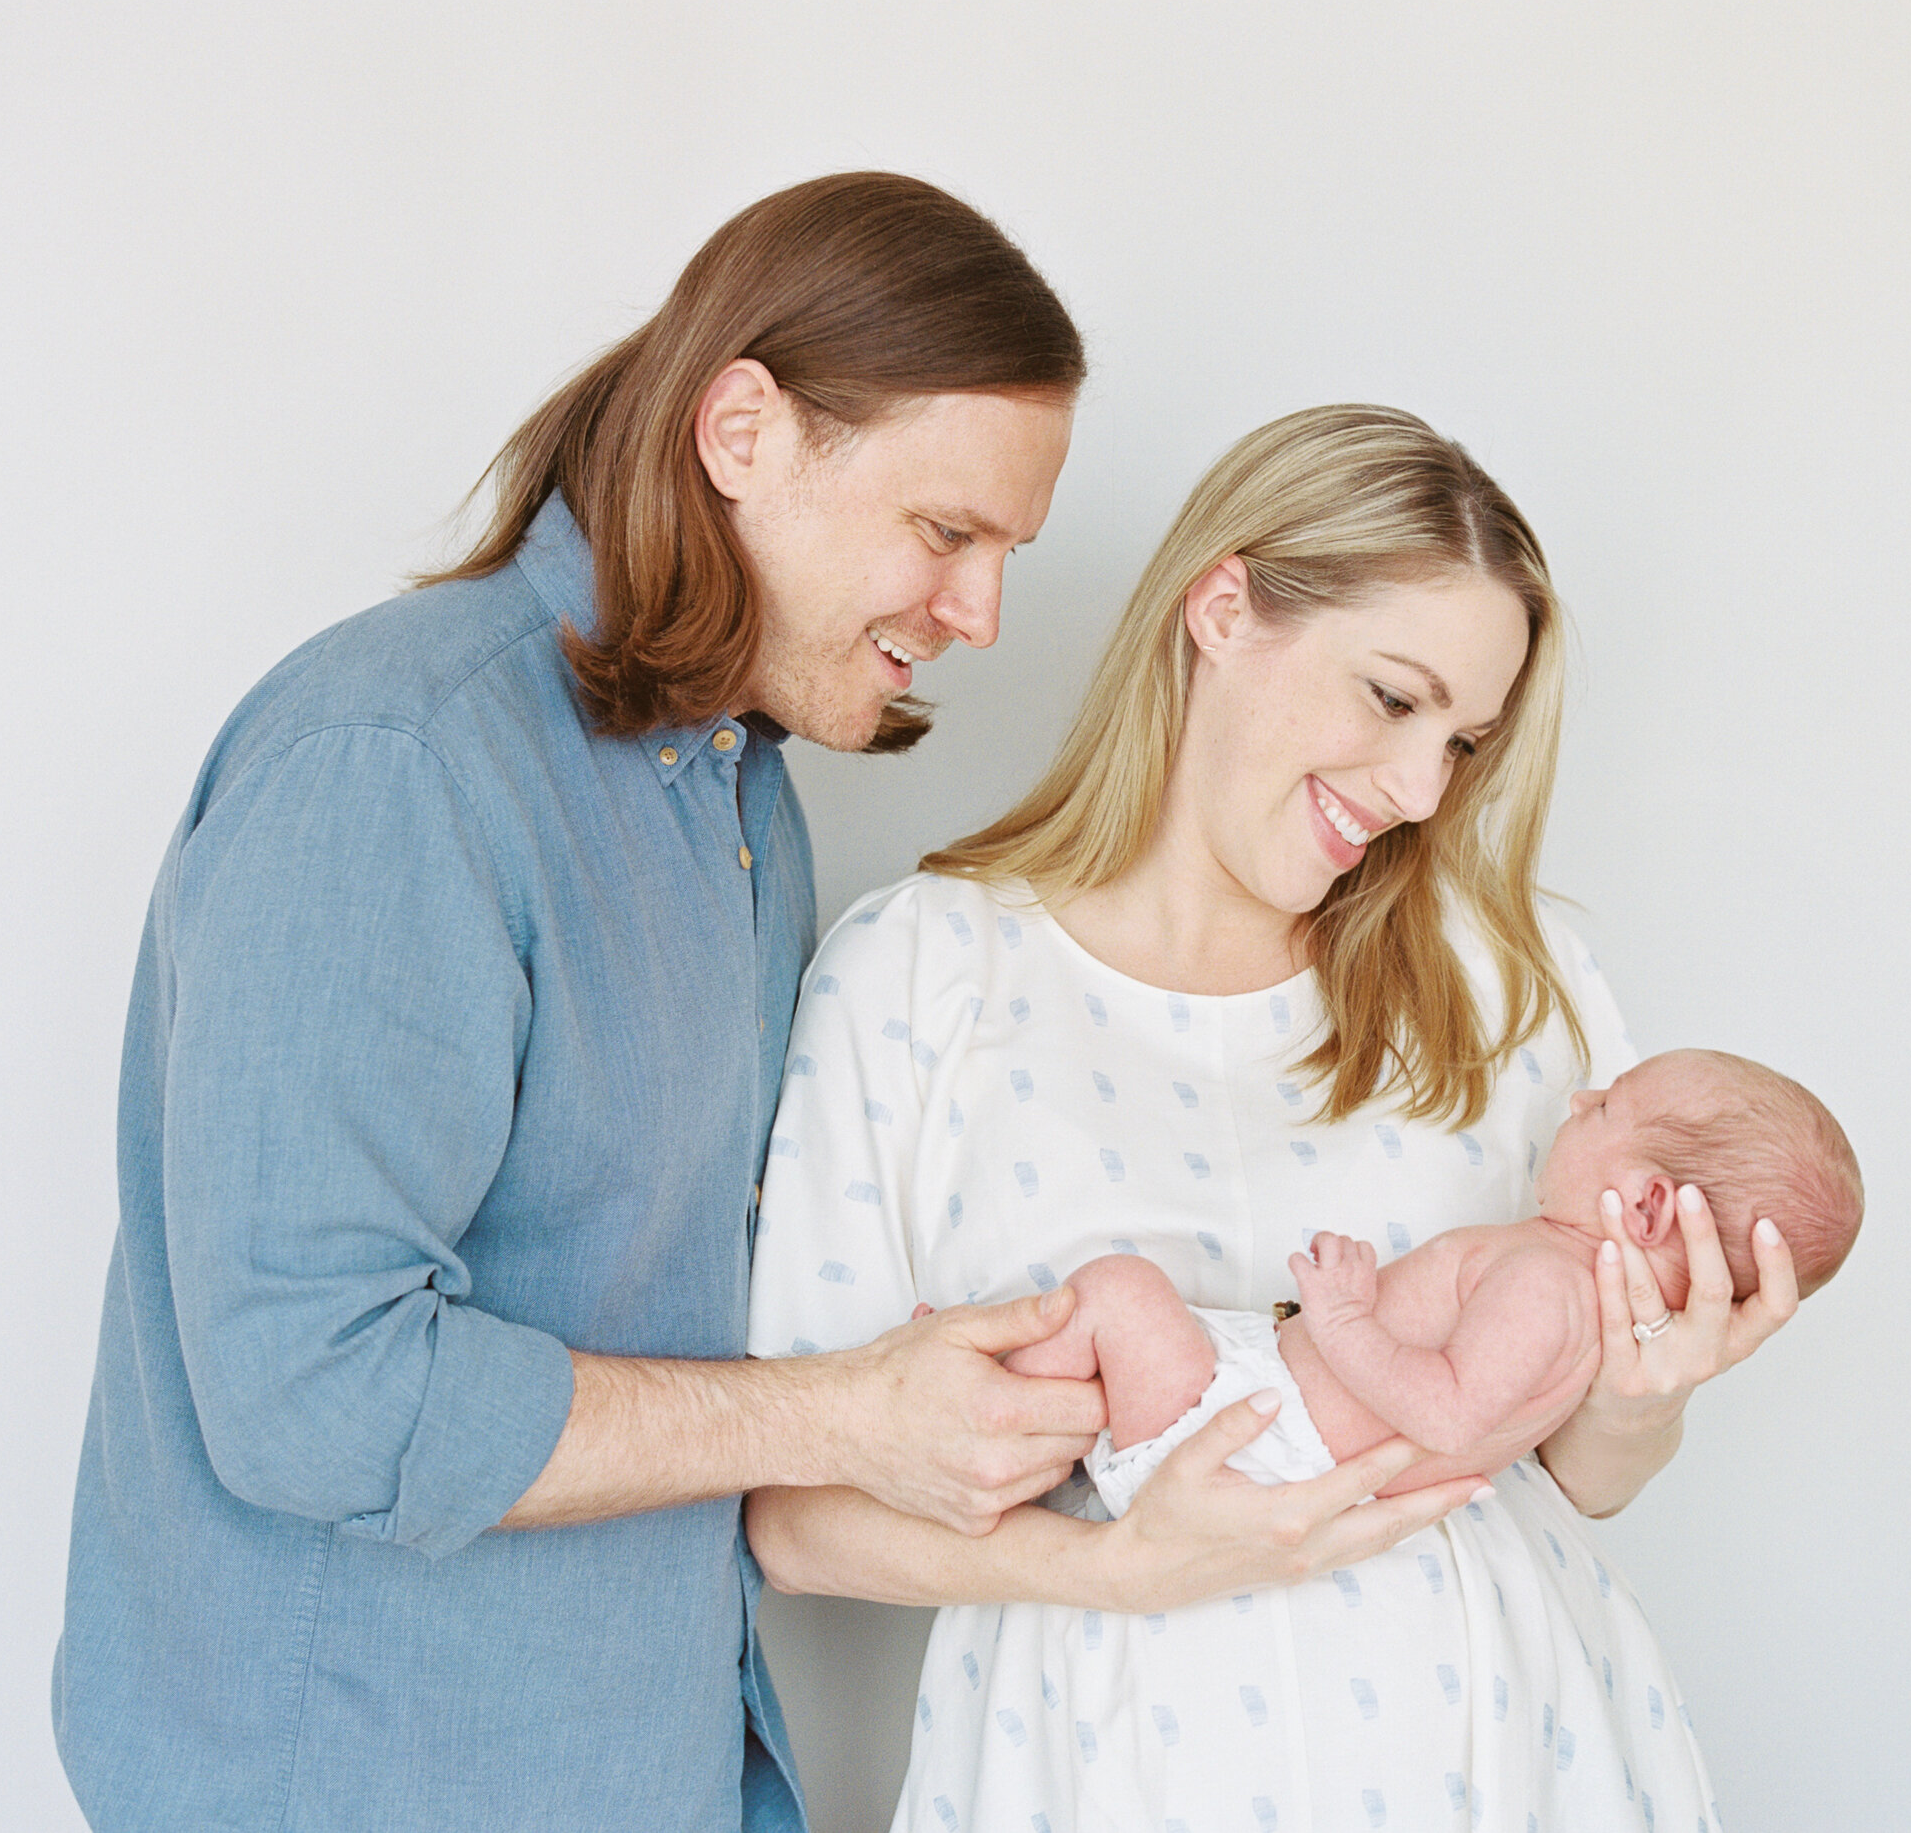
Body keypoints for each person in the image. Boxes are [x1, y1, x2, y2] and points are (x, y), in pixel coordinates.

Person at [54, 172, 1121, 1832]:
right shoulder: (395, 762)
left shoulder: (741, 797)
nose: (979, 614)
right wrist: (845, 1412)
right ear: (744, 430)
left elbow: (690, 1303)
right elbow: (319, 1394)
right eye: (947, 531)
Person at [745, 406, 1806, 1832]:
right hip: (1112, 1763)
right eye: (1391, 697)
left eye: (1464, 739)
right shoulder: (927, 974)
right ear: (1224, 607)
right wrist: (1112, 1568)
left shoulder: (1511, 981)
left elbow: (1583, 1478)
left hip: (1505, 1750)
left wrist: (1640, 1398)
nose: (1424, 788)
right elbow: (794, 1515)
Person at [1000, 1049, 1861, 1517]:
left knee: (1119, 1295)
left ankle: (987, 1421)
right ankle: (997, 1403)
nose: (1579, 1100)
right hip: (1270, 1416)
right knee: (1126, 1325)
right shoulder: (1581, 1306)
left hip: (1264, 1443)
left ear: (1645, 1208)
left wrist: (1341, 1320)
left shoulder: (1547, 1285)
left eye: (1606, 1107)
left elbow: (1448, 1414)